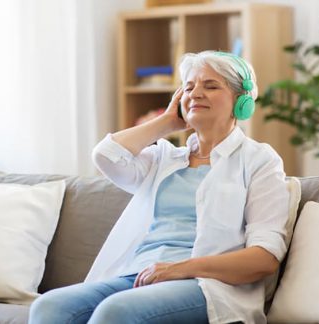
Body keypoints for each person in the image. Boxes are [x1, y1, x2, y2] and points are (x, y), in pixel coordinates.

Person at [28, 50, 290, 324]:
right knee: (49, 307)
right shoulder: (165, 158)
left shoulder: (258, 160)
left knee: (116, 312)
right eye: (188, 87)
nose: (196, 93)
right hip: (139, 275)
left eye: (211, 86)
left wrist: (181, 268)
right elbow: (105, 155)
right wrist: (168, 121)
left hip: (206, 285)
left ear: (242, 102)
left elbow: (265, 258)